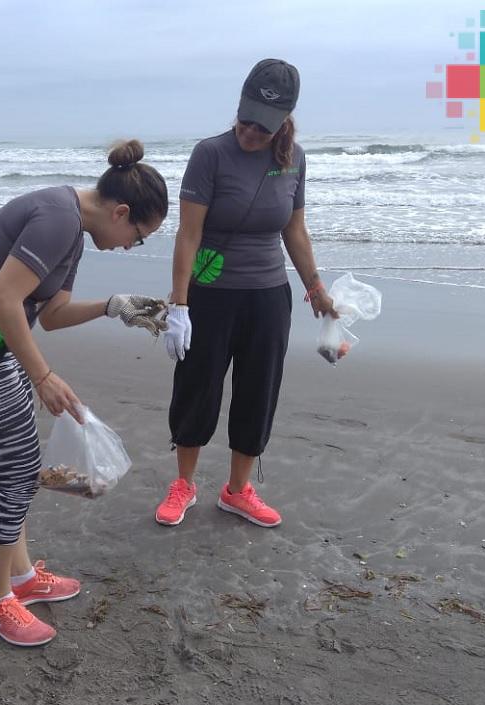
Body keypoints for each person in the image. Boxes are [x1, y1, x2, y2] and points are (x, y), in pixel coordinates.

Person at [0, 139, 168, 647]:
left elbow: (51, 315)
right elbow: (2, 298)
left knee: (23, 465)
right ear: (121, 212)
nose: (130, 246)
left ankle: (19, 579)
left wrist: (112, 305)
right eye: (138, 236)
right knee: (14, 473)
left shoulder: (73, 232)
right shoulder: (57, 217)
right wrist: (42, 376)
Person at [156, 59, 338, 528]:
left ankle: (237, 490)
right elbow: (188, 235)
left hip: (267, 296)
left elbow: (294, 230)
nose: (250, 132)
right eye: (245, 118)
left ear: (284, 122)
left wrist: (314, 287)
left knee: (258, 391)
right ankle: (184, 484)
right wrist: (179, 305)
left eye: (263, 125)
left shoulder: (294, 158)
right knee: (197, 389)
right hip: (210, 294)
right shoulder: (209, 154)